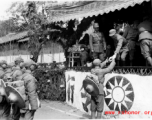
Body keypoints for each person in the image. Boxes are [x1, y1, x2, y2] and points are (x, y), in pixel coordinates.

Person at [83, 54, 116, 119]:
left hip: (93, 90)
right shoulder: (102, 71)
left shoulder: (92, 70)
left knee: (93, 109)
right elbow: (109, 68)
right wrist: (113, 61)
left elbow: (99, 65)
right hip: (100, 91)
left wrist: (106, 61)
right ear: (99, 63)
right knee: (99, 109)